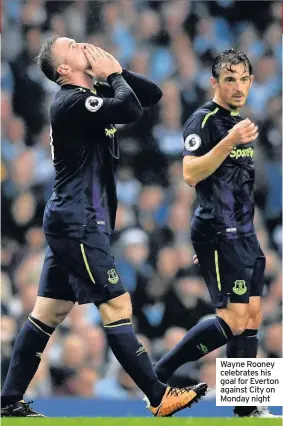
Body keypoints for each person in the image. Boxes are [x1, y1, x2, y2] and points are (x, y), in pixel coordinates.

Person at [1, 35, 207, 418]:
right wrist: (113, 76)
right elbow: (129, 109)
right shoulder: (70, 101)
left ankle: (8, 399)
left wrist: (117, 71)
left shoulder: (91, 94)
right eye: (72, 46)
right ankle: (159, 396)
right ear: (63, 69)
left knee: (48, 312)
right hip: (78, 221)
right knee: (116, 303)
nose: (82, 45)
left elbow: (153, 95)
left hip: (75, 220)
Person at [153, 49, 278, 418]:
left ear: (252, 82)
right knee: (234, 318)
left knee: (253, 316)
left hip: (241, 232)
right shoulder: (203, 121)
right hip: (220, 230)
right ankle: (156, 377)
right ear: (215, 83)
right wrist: (229, 142)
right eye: (229, 79)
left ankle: (245, 407)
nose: (237, 87)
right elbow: (191, 173)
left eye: (243, 79)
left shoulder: (240, 123)